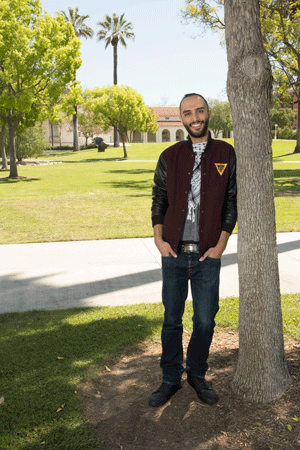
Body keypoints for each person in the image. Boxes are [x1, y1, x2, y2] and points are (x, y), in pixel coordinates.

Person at [149, 93, 237, 407]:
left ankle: (196, 373)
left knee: (205, 320)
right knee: (171, 320)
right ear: (182, 118)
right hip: (173, 254)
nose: (195, 117)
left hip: (206, 256)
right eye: (188, 113)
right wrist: (159, 240)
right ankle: (170, 379)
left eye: (199, 111)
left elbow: (231, 202)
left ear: (208, 113)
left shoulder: (226, 152)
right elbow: (159, 200)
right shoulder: (169, 155)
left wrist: (221, 244)